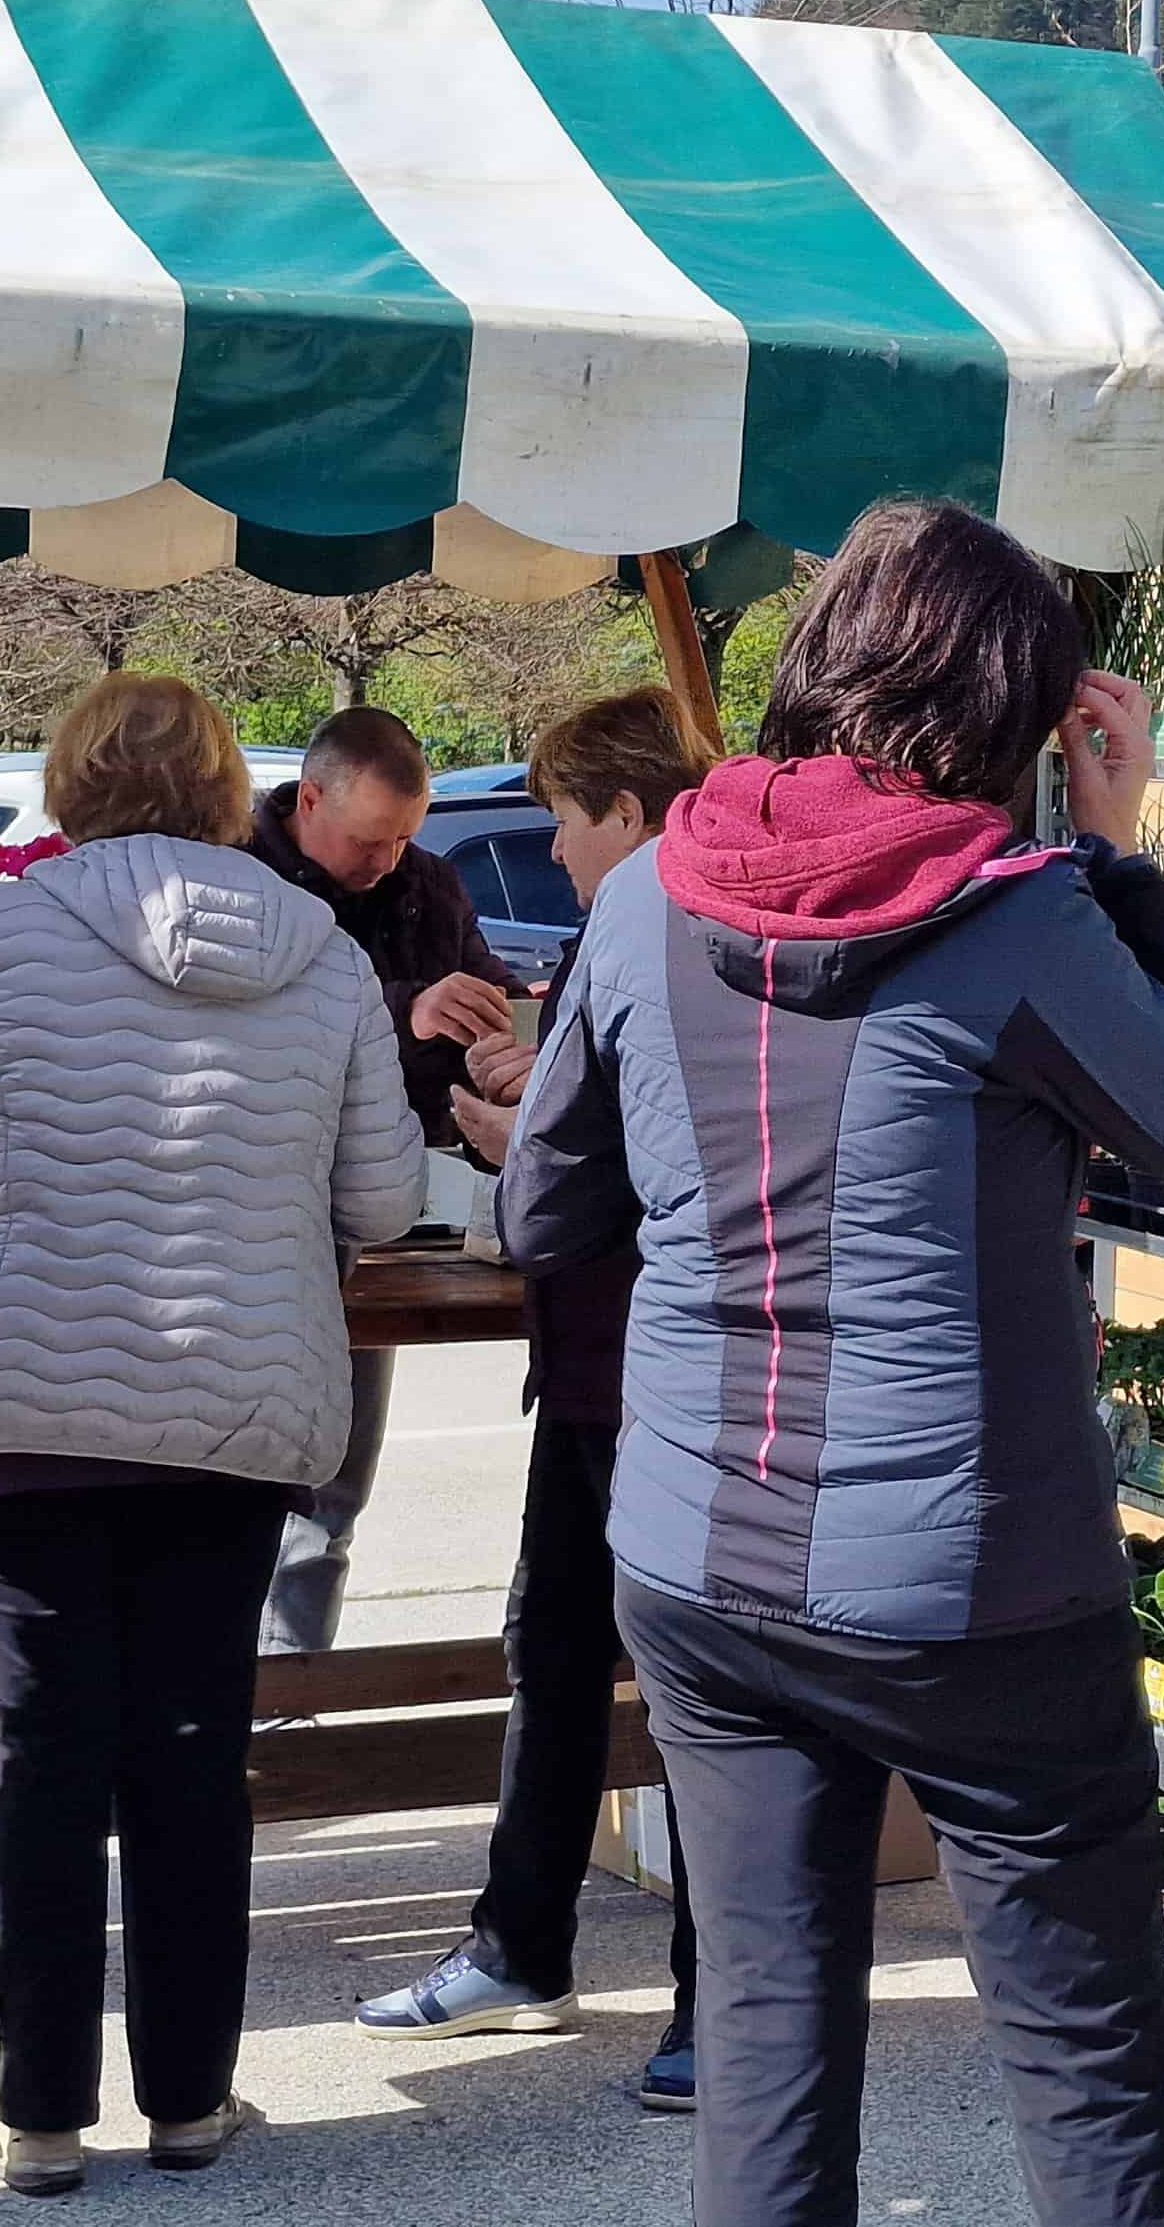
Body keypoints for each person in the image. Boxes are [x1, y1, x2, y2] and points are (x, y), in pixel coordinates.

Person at [499, 501, 1164, 2227]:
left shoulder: (645, 899)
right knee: (1083, 2060)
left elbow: (542, 1208)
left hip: (699, 1558)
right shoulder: (1025, 917)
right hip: (974, 1585)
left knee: (764, 2041)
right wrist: (1120, 852)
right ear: (1014, 709)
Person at [0, 674, 426, 2195]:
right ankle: (189, 2102)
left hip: (21, 1403)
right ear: (235, 792)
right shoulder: (324, 952)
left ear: (70, 783)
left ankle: (39, 2118)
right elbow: (383, 1198)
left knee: (45, 1757)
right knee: (190, 1751)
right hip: (235, 1404)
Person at [354, 687, 717, 2112]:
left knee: (691, 1693)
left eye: (565, 819)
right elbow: (610, 1108)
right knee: (552, 1647)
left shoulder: (702, 927)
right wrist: (540, 1077)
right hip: (583, 1370)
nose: (552, 850)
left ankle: (715, 2003)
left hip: (664, 1370)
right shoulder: (623, 931)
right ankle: (519, 1946)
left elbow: (652, 1163)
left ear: (626, 812)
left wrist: (526, 1142)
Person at [246, 706, 512, 1653]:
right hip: (257, 1218)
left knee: (332, 1490)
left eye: (405, 837)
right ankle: (231, 1697)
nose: (387, 861)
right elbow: (260, 1026)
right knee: (235, 1490)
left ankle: (291, 1688)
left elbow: (477, 994)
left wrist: (492, 1038)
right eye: (370, 840)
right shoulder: (235, 873)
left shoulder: (427, 883)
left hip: (389, 1211)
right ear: (309, 799)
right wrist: (407, 1008)